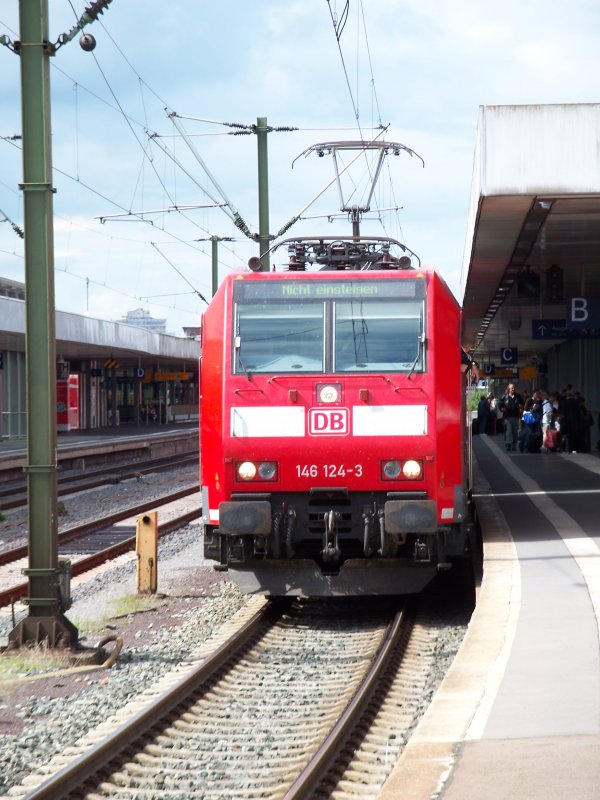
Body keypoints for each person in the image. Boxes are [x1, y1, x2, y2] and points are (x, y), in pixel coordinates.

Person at [500, 383, 523, 452]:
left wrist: (521, 407)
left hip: (515, 416)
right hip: (507, 417)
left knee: (515, 432)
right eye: (511, 388)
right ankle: (508, 444)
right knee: (509, 431)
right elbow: (500, 404)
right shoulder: (505, 396)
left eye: (513, 388)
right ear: (508, 389)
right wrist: (502, 409)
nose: (513, 389)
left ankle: (514, 445)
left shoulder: (517, 396)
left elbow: (523, 402)